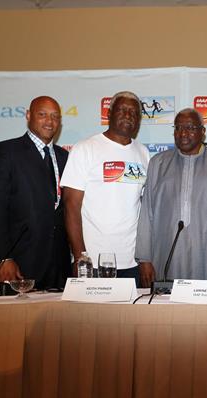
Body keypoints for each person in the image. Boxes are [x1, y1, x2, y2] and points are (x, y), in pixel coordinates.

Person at [135, 108, 207, 286]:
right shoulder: (159, 164)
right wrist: (144, 259)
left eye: (190, 127)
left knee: (206, 312)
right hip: (166, 255)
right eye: (178, 128)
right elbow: (146, 214)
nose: (183, 133)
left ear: (203, 132)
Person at [0, 96, 71, 289]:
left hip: (60, 267)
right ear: (28, 115)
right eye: (42, 114)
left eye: (55, 116)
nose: (50, 121)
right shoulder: (4, 152)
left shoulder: (65, 157)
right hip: (20, 263)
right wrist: (2, 258)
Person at [61, 91, 150, 283]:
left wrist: (144, 257)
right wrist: (79, 257)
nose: (128, 116)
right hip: (93, 261)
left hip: (132, 261)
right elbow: (71, 206)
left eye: (134, 113)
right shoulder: (85, 149)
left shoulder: (143, 153)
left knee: (131, 314)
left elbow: (144, 209)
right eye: (123, 110)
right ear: (109, 114)